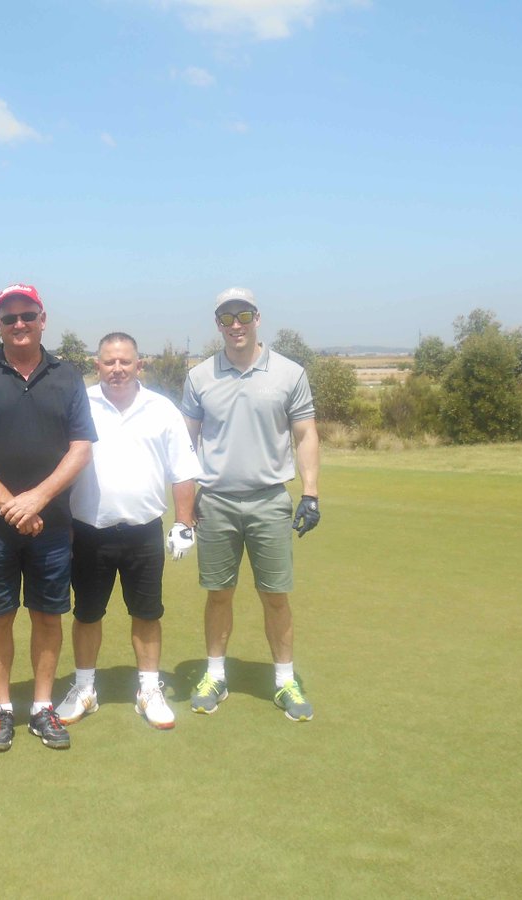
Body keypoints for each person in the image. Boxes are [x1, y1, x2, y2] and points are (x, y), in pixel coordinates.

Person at [0, 284, 97, 751]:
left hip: (51, 524)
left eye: (26, 316)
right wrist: (11, 506)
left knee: (47, 615)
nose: (18, 324)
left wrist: (36, 499)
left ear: (42, 318)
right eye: (9, 317)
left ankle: (40, 707)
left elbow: (81, 448)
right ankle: (2, 708)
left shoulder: (67, 376)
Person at [181, 287, 321, 722]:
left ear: (257, 317)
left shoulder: (289, 372)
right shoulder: (200, 376)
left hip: (270, 501)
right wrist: (184, 509)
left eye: (242, 315)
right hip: (216, 502)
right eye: (226, 318)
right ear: (218, 324)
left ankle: (284, 681)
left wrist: (311, 492)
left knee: (275, 596)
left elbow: (305, 435)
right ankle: (216, 675)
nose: (235, 325)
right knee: (218, 594)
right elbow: (186, 442)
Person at [56, 332, 200, 730]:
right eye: (108, 362)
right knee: (86, 614)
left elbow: (183, 472)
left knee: (147, 613)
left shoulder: (163, 410)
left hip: (143, 533)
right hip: (88, 531)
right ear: (97, 364)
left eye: (125, 362)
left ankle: (149, 690)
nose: (117, 369)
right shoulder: (79, 404)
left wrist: (183, 524)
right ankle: (84, 687)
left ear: (140, 365)